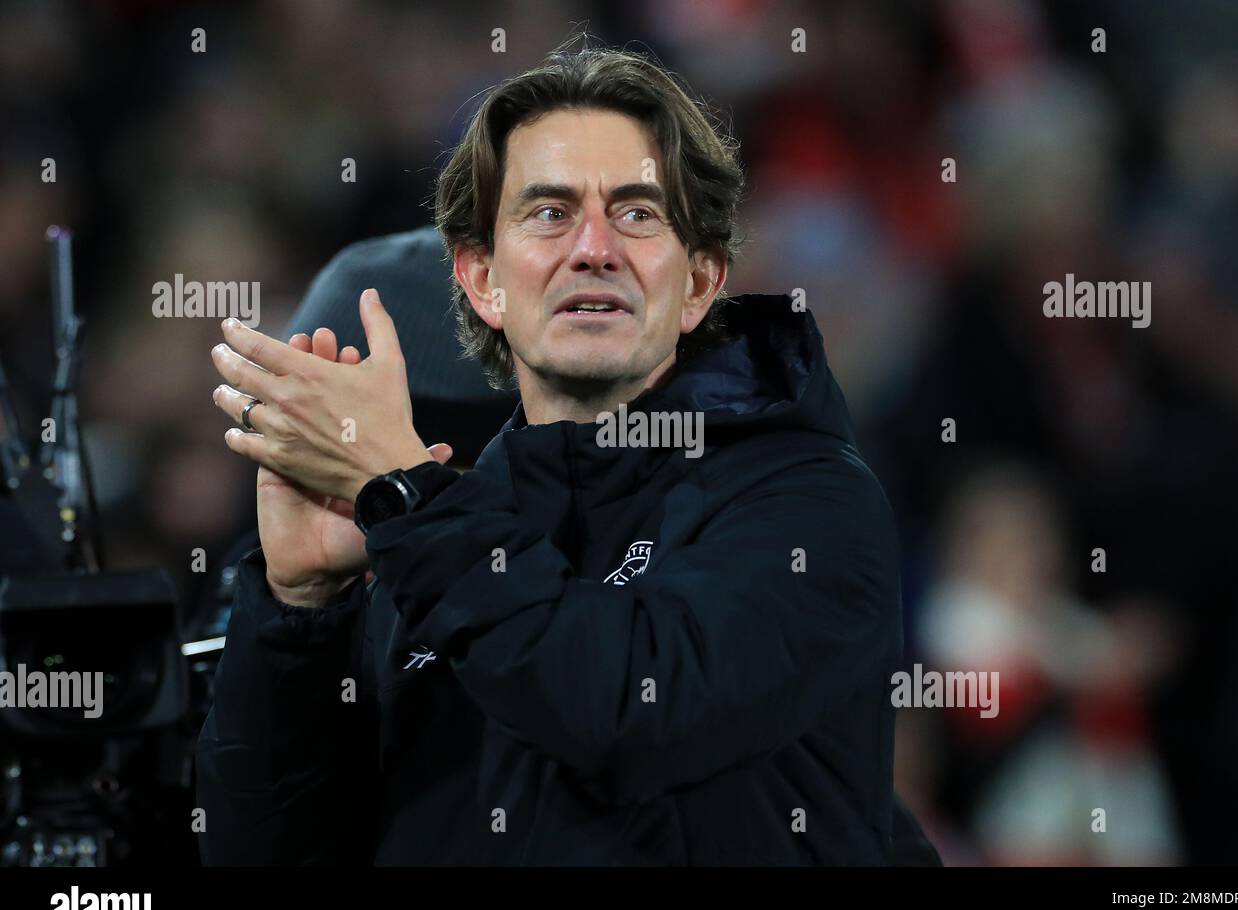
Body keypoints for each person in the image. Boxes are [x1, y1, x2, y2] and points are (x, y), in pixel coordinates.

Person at [197, 44, 905, 865]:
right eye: (549, 213)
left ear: (703, 282)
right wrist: (299, 614)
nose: (594, 247)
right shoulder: (425, 541)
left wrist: (410, 494)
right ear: (481, 280)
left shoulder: (806, 505)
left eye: (638, 213)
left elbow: (625, 716)